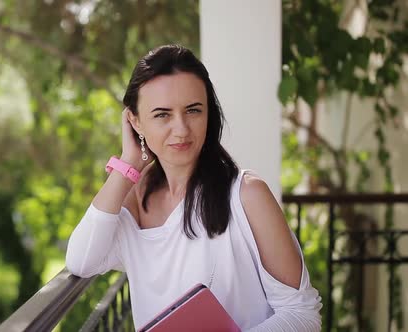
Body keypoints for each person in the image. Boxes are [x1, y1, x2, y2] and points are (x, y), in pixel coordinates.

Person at [65, 44, 322, 331]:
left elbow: (303, 315)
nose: (182, 129)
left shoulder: (247, 195)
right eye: (162, 114)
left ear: (208, 113)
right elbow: (81, 262)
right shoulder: (133, 203)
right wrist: (128, 164)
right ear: (135, 121)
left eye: (193, 110)